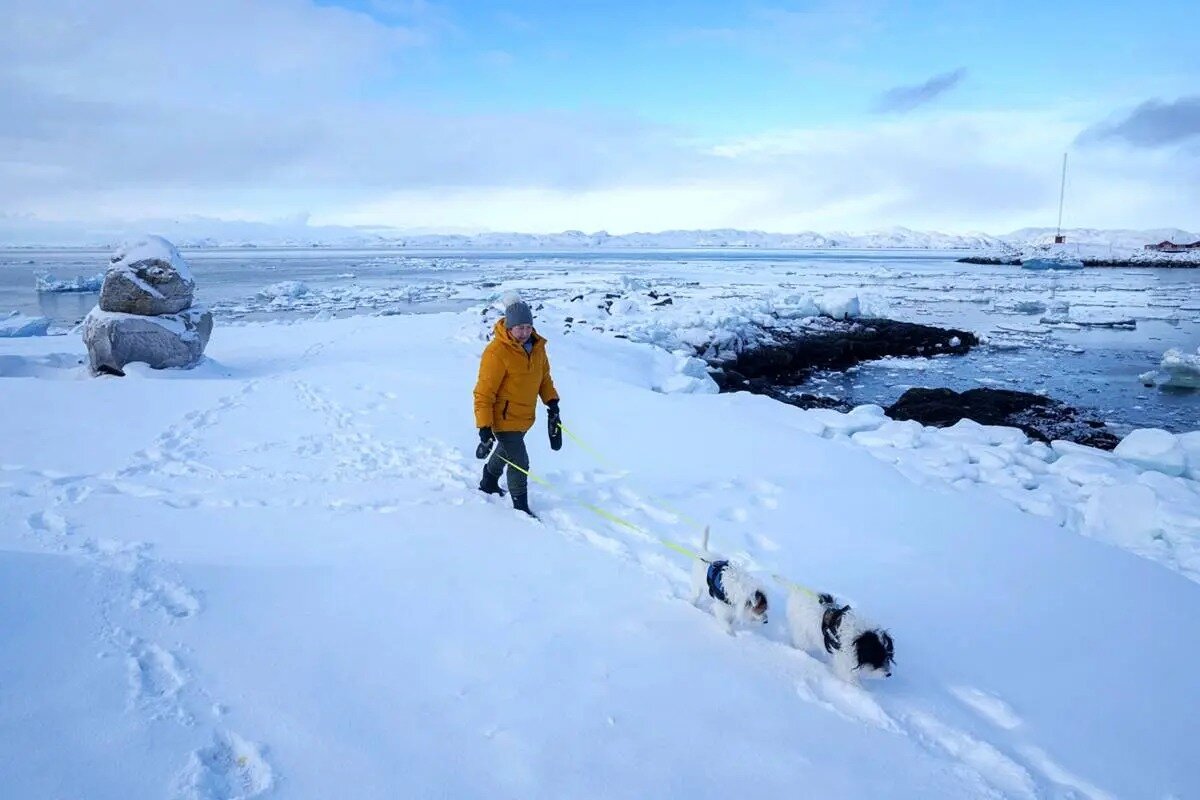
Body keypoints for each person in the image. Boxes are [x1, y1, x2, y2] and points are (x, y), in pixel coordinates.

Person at [473, 294, 560, 517]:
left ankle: (488, 481)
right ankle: (520, 506)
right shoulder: (496, 352)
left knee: (506, 451)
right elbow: (484, 393)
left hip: (525, 416)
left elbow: (544, 379)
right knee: (520, 461)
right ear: (509, 327)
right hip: (503, 418)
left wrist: (552, 402)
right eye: (519, 327)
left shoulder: (538, 348)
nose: (524, 332)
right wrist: (484, 426)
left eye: (528, 327)